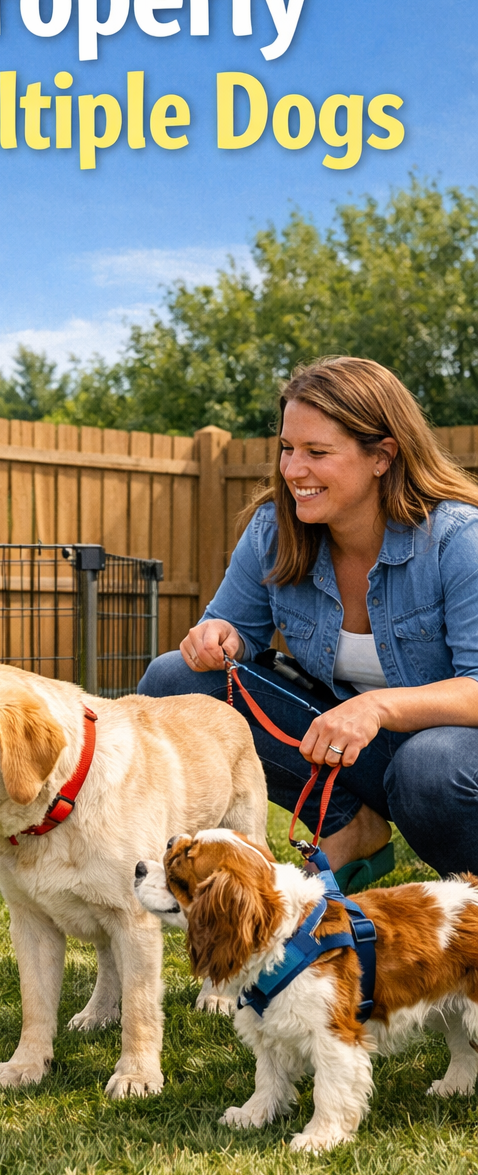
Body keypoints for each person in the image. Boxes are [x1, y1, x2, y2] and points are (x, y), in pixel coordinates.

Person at [139, 355, 478, 889]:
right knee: (174, 679)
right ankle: (348, 825)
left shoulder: (458, 540)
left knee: (427, 763)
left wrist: (376, 708)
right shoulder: (273, 532)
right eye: (287, 449)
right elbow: (231, 631)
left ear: (382, 456)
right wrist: (219, 637)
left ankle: (467, 899)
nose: (294, 470)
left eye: (317, 452)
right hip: (353, 751)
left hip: (452, 758)